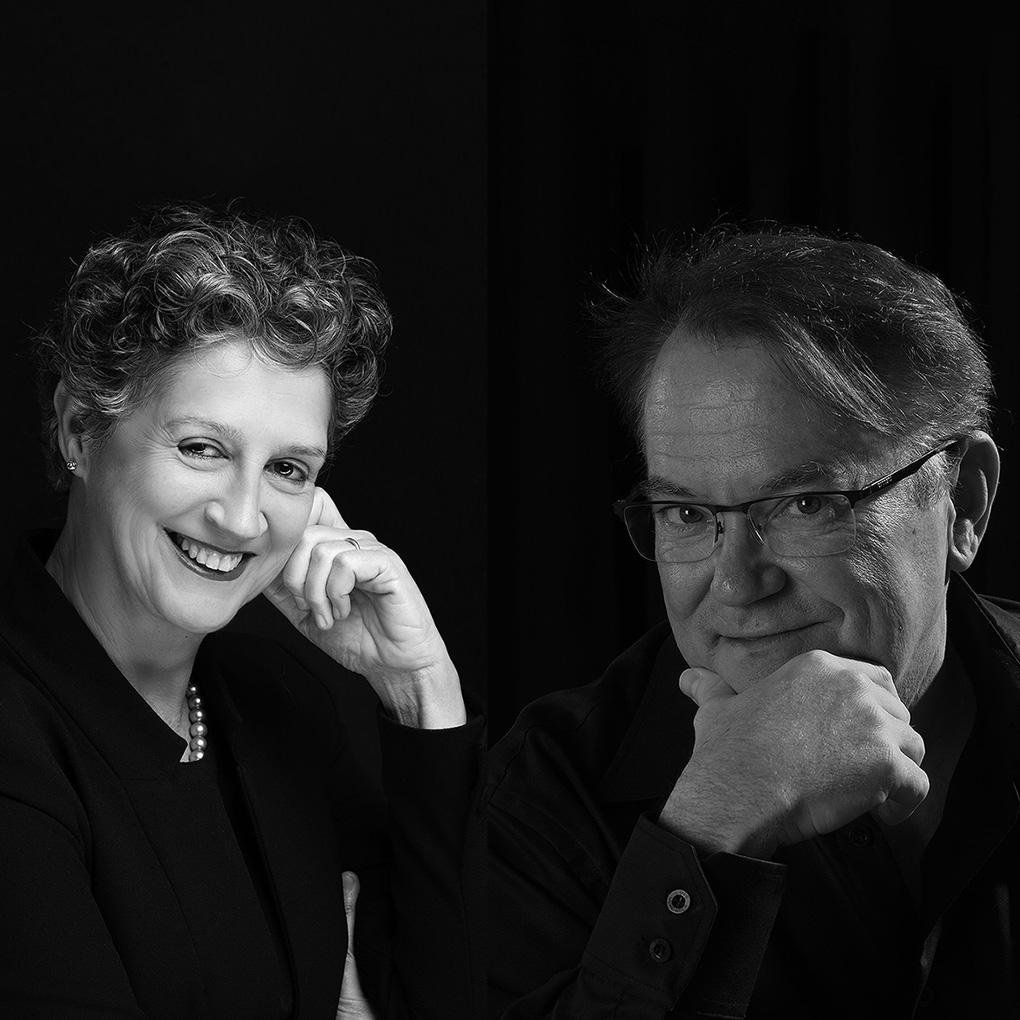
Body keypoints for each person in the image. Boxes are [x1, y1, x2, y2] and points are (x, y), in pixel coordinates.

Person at [486, 228, 1017, 1018]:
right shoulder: (548, 796)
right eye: (686, 513)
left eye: (806, 504)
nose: (736, 584)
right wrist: (709, 828)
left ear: (963, 502)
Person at [0, 205, 484, 1018]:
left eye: (288, 469)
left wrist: (421, 689)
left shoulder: (280, 703)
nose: (243, 518)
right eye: (202, 448)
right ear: (80, 429)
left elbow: (449, 996)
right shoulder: (16, 732)